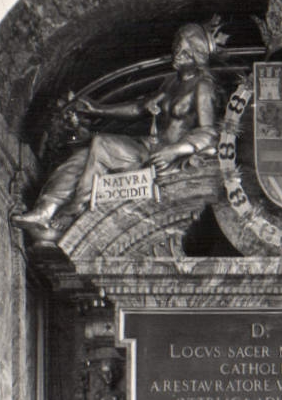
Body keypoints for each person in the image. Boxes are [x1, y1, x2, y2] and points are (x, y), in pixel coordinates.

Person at [13, 17, 228, 239]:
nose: (176, 50)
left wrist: (174, 150)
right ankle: (45, 209)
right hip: (147, 148)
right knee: (82, 155)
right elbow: (139, 107)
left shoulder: (203, 86)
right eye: (176, 44)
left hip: (162, 158)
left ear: (197, 53)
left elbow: (210, 133)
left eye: (183, 46)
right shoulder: (171, 82)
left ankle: (74, 210)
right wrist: (98, 109)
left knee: (101, 144)